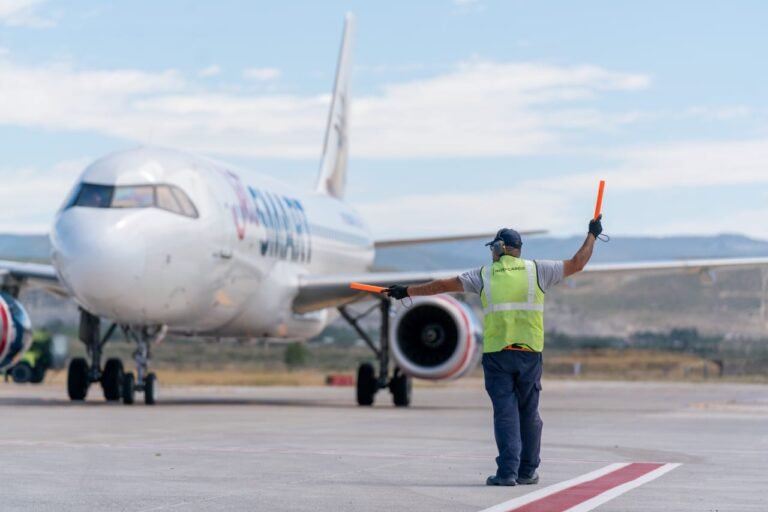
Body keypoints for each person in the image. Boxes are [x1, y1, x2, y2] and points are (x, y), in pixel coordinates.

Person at [385, 215, 603, 486]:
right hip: (529, 354)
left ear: (500, 247)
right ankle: (527, 471)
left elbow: (441, 286)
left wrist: (406, 291)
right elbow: (578, 263)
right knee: (529, 413)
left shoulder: (483, 275)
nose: (491, 252)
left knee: (505, 413)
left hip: (498, 355)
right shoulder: (539, 271)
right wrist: (592, 235)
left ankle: (507, 473)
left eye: (493, 247)